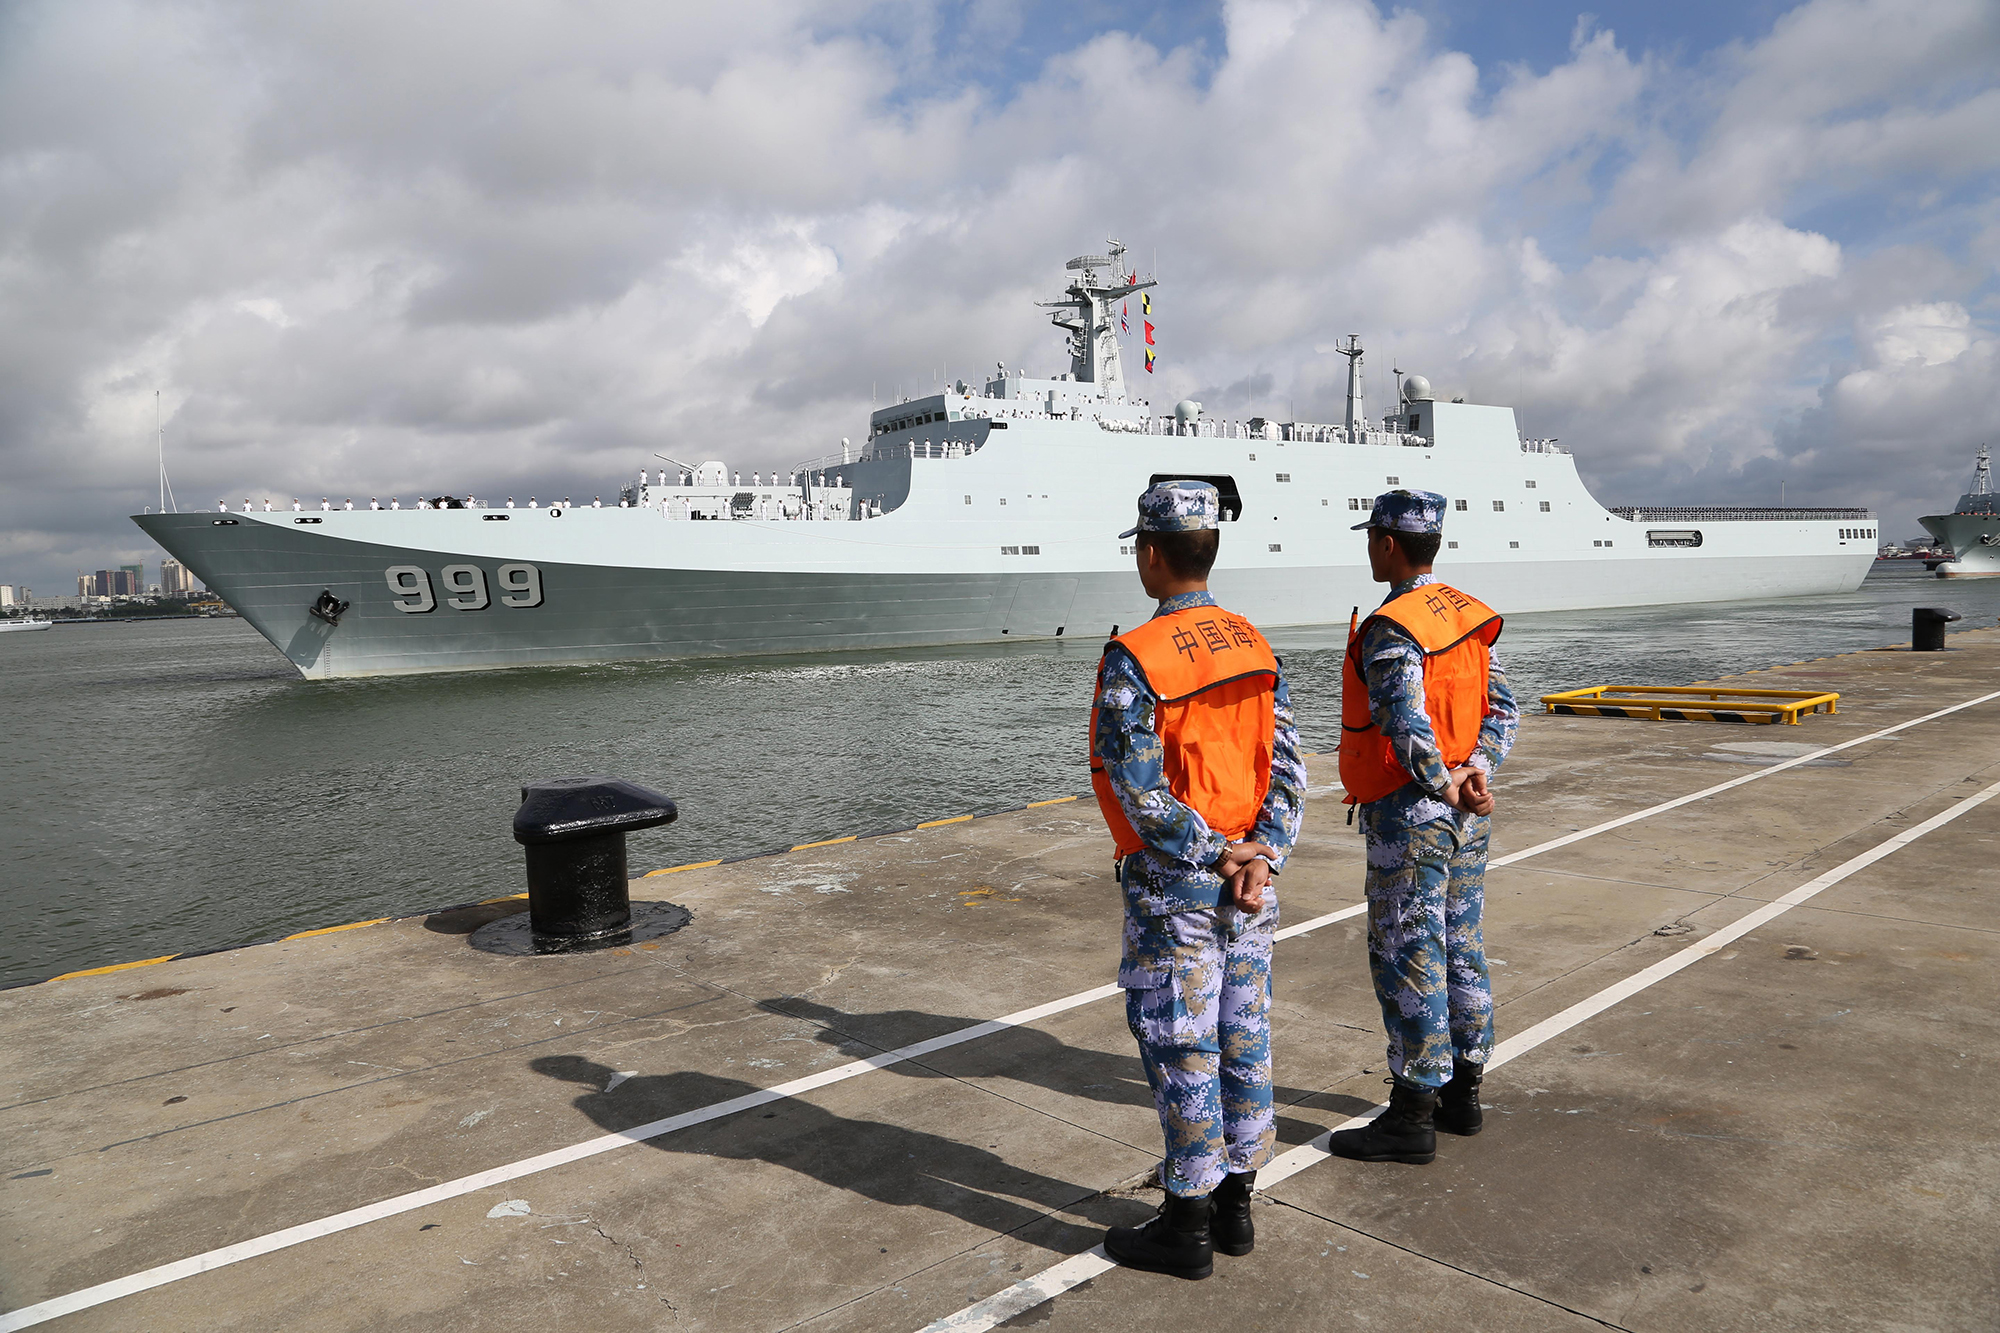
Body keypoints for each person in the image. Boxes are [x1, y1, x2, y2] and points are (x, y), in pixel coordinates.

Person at [1089, 480, 1306, 1281]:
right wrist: (1261, 854)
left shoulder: (1135, 659)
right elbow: (1289, 770)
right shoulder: (1251, 642)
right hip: (1251, 884)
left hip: (1180, 892)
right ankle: (1237, 1205)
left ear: (1150, 554)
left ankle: (1186, 1223)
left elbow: (1142, 792)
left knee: (1184, 1045)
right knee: (1244, 1034)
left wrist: (1215, 855)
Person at [1329, 490, 1518, 1166]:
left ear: (1386, 544)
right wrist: (1476, 772)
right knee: (1460, 942)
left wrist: (1440, 780)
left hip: (1412, 818)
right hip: (1469, 811)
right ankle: (1464, 1091)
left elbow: (1402, 721)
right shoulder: (1467, 616)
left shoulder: (1394, 625)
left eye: (1371, 536)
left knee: (1409, 952)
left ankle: (1412, 1111)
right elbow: (1503, 707)